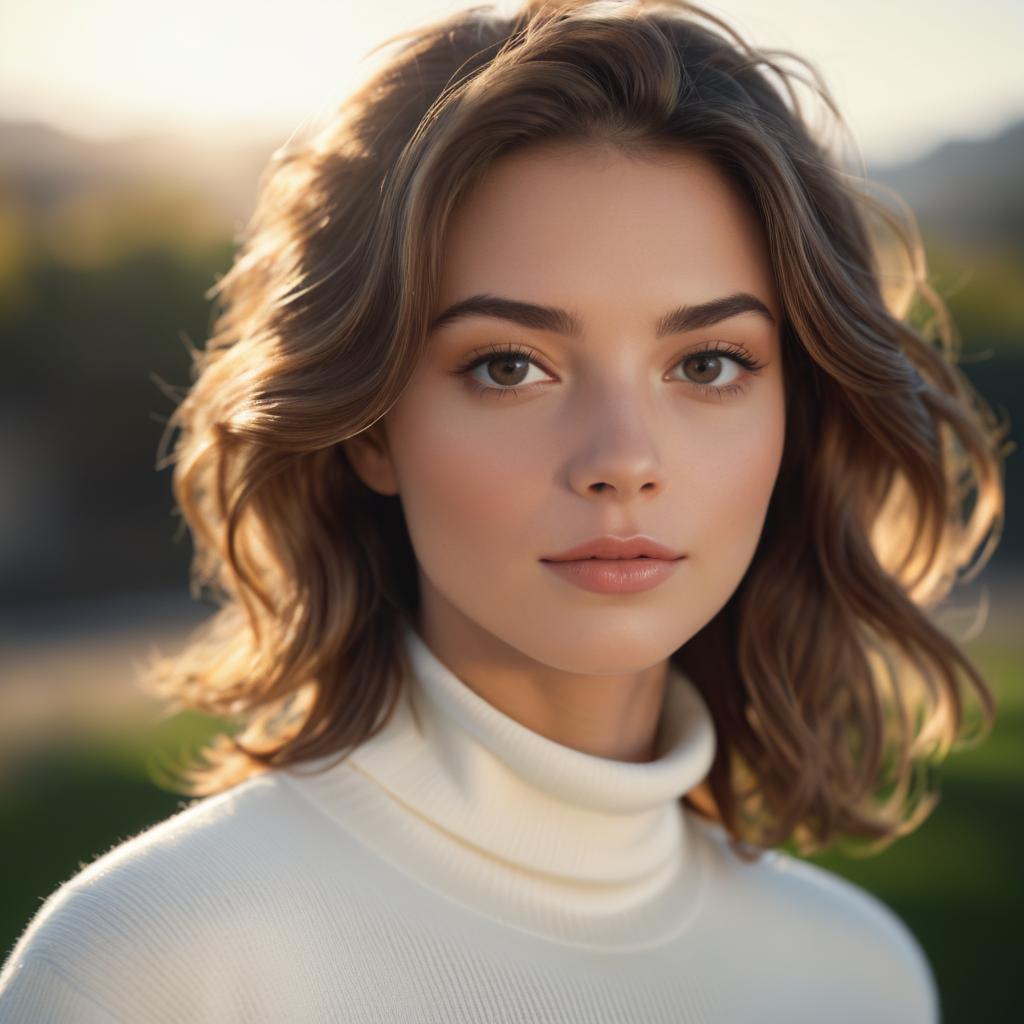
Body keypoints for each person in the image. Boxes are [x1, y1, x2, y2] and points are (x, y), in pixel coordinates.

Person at [0, 1, 1007, 1020]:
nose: (622, 460)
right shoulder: (148, 965)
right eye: (509, 365)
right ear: (372, 427)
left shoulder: (861, 977)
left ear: (796, 409)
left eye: (707, 363)